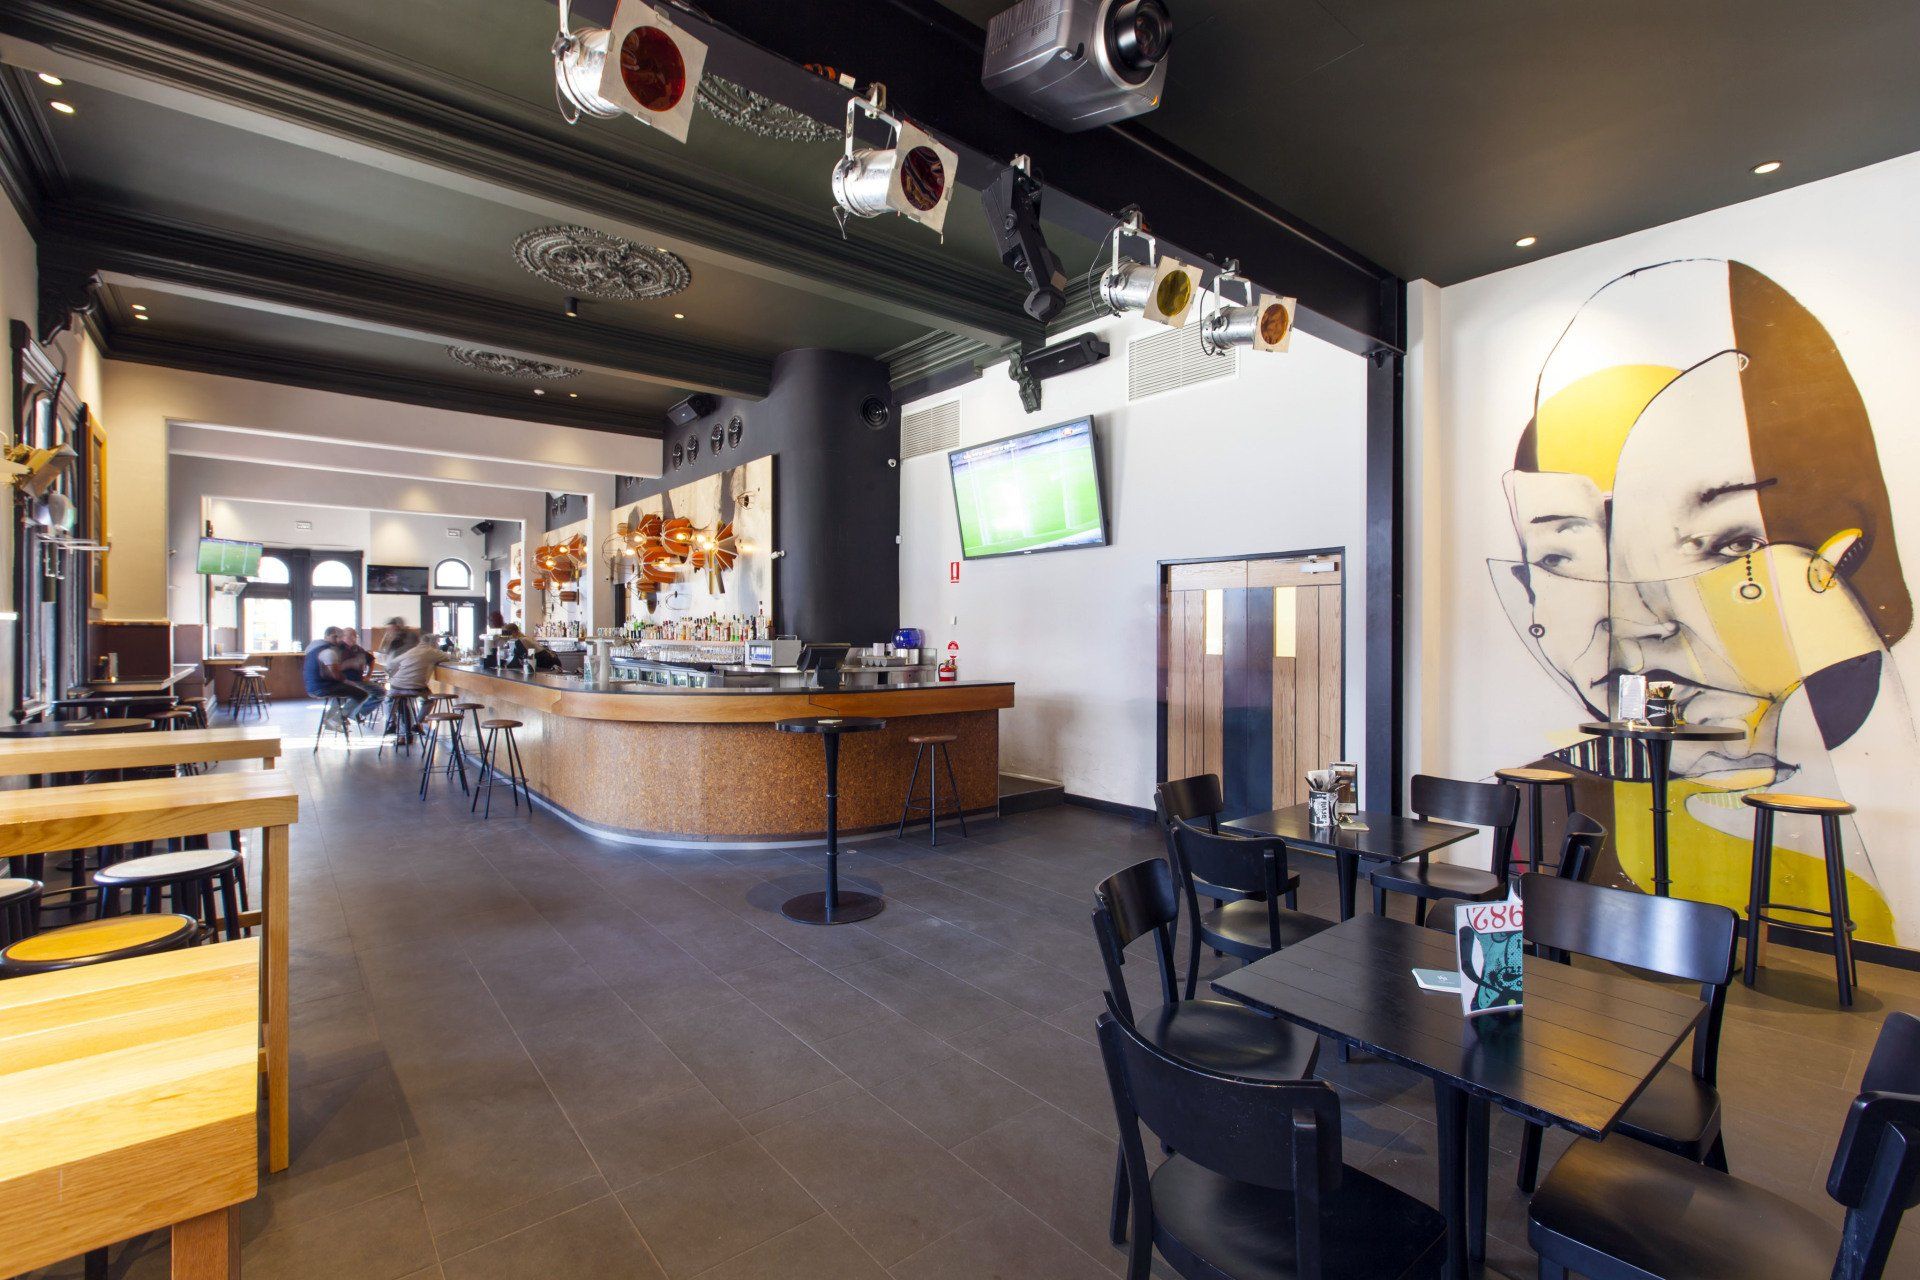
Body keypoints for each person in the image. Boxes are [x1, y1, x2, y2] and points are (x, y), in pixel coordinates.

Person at [1490, 257, 1913, 944]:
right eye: (1564, 559)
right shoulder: (1552, 812)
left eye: (1723, 544)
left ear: (1842, 557)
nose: (1635, 620)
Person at [303, 626, 379, 724]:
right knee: (362, 693)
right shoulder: (329, 651)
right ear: (326, 636)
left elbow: (329, 672)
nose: (338, 639)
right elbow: (336, 675)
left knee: (347, 690)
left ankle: (330, 719)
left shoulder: (316, 648)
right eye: (335, 637)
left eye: (354, 636)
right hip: (322, 686)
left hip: (316, 685)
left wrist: (366, 675)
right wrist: (349, 668)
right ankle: (340, 717)